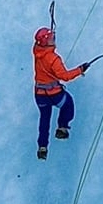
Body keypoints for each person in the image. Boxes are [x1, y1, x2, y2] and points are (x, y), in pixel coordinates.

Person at [33, 26, 87, 160]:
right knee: (67, 104)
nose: (54, 40)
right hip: (54, 94)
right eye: (51, 38)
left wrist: (46, 35)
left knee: (44, 119)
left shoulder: (36, 52)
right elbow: (65, 76)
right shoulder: (53, 59)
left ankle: (42, 147)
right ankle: (62, 128)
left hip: (39, 95)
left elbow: (38, 44)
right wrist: (80, 69)